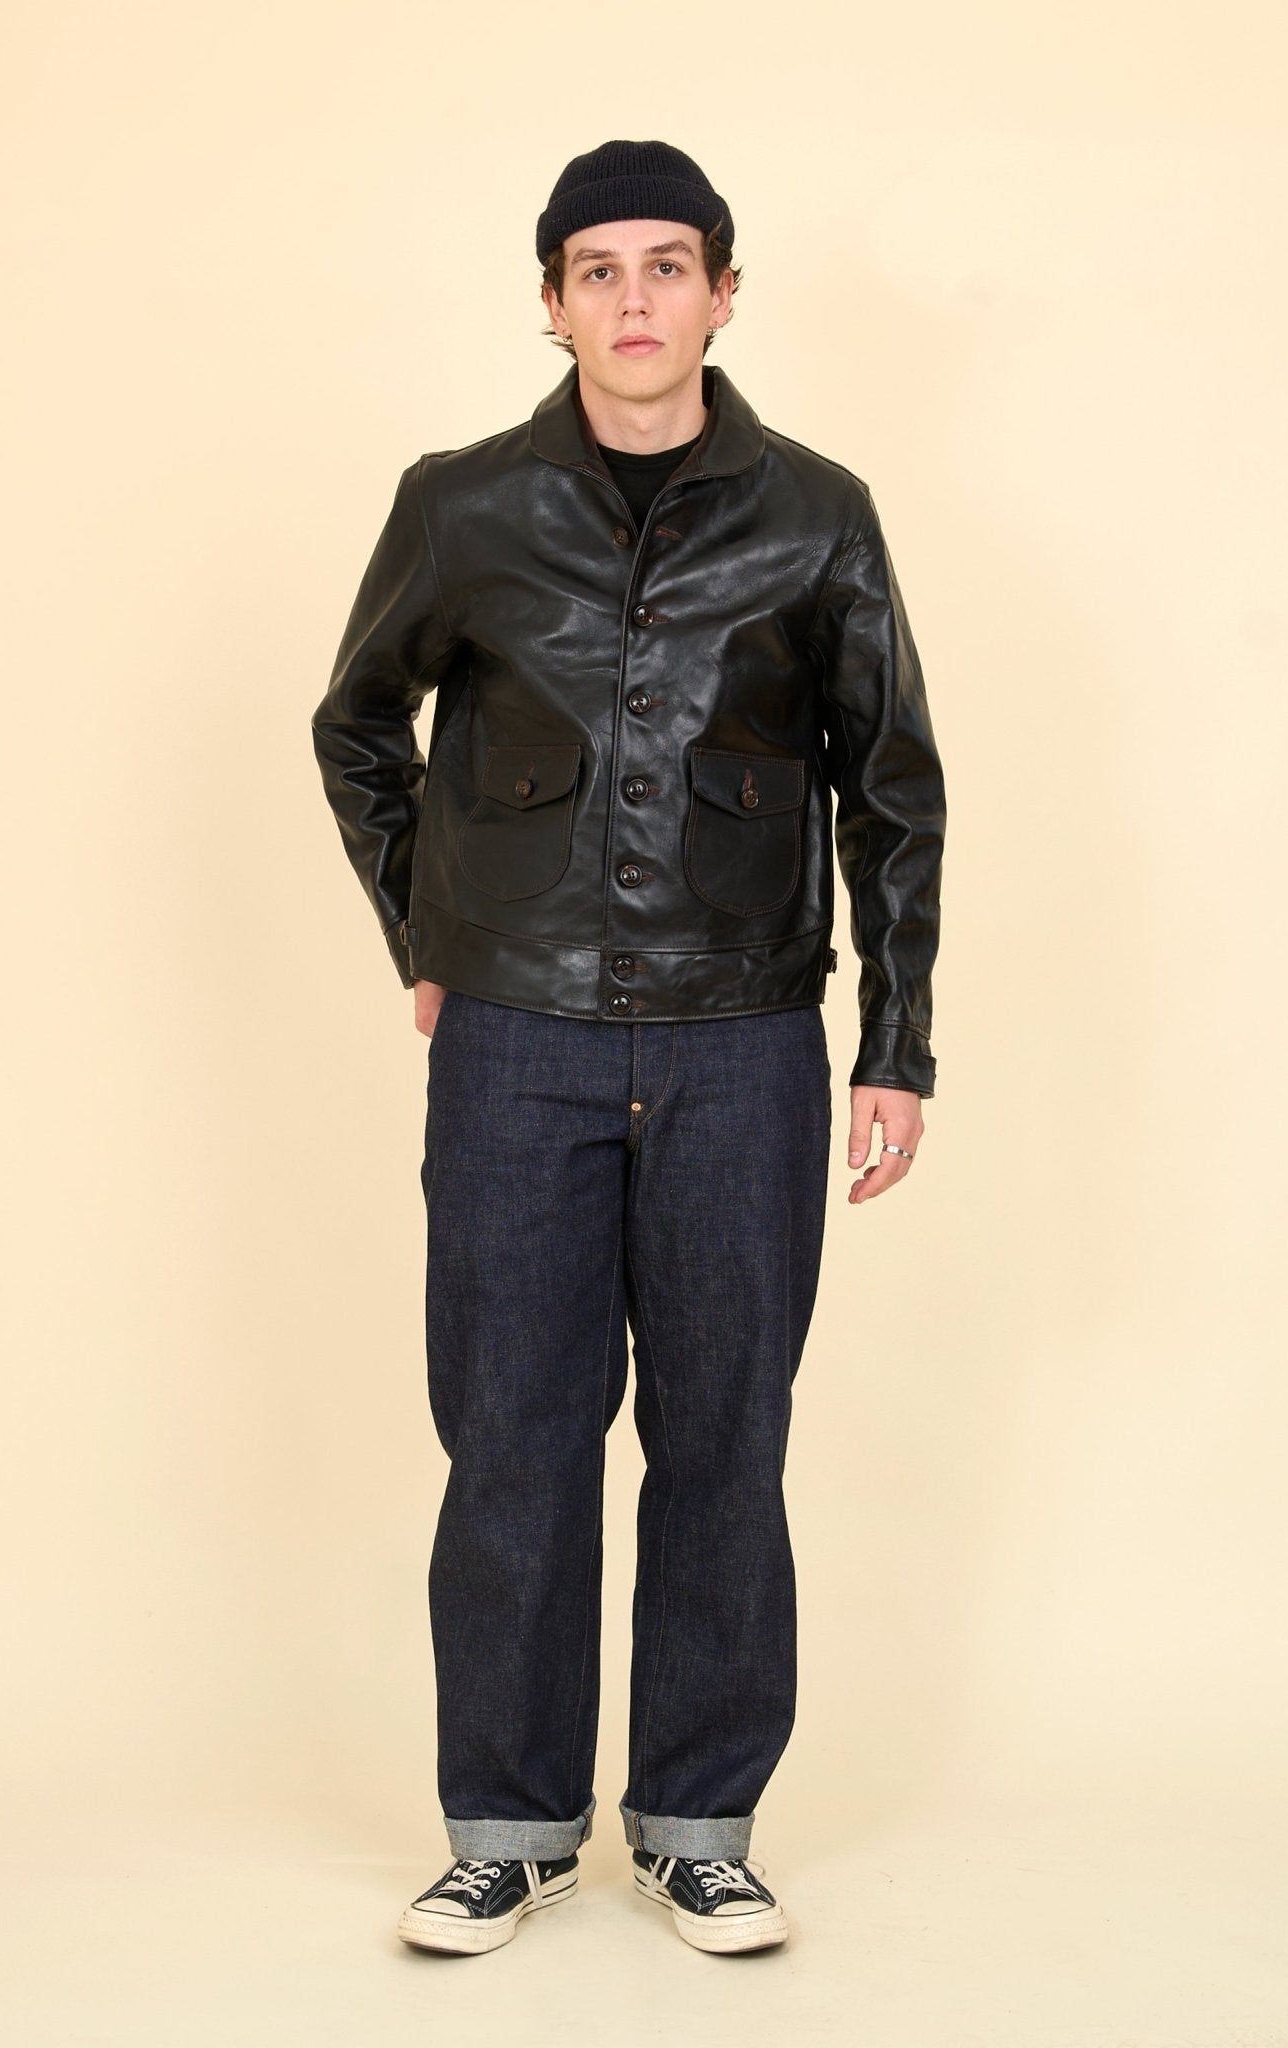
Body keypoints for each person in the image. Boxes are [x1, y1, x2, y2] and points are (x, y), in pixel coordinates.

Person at [311, 138, 945, 1957]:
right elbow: (357, 728)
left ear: (723, 294)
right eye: (599, 270)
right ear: (552, 302)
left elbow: (890, 790)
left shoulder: (819, 513)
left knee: (726, 1436)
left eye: (670, 265)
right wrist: (430, 933)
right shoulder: (460, 505)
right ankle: (505, 1830)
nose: (636, 299)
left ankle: (699, 1825)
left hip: (746, 1038)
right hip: (514, 1039)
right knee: (512, 1434)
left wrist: (894, 1044)